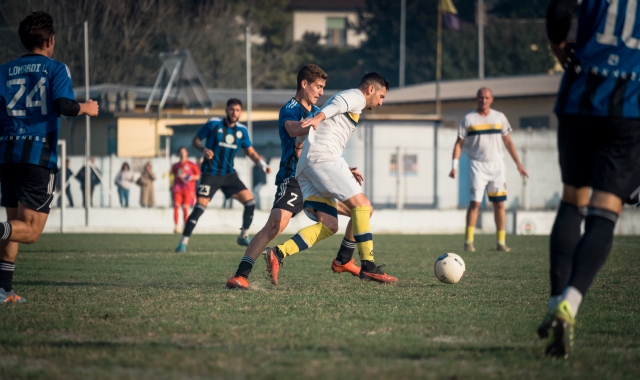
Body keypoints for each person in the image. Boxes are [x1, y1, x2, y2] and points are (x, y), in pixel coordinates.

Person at [536, 0, 640, 359]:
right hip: (628, 108)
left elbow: (559, 12)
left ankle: (554, 302)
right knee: (604, 213)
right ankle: (570, 304)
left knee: (572, 201)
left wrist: (560, 50)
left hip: (578, 97)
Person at [226, 64, 362, 289]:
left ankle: (345, 259)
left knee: (359, 210)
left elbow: (324, 149)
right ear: (304, 83)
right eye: (318, 87)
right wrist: (314, 123)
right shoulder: (290, 108)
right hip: (294, 178)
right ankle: (241, 275)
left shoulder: (316, 112)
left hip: (317, 178)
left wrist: (344, 170)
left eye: (323, 88)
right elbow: (292, 129)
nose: (320, 92)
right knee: (274, 226)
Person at [0, 11, 99, 304]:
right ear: (50, 40)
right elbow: (64, 105)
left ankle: (4, 290)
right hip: (37, 155)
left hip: (6, 154)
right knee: (29, 232)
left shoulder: (4, 70)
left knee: (13, 226)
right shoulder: (55, 68)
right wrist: (85, 107)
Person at [262, 72, 397, 285]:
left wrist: (301, 148)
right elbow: (335, 105)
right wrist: (317, 118)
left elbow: (307, 134)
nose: (380, 102)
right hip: (323, 159)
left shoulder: (352, 103)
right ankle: (368, 265)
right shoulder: (356, 96)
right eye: (381, 97)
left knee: (330, 224)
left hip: (308, 165)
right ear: (371, 89)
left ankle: (279, 253)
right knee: (363, 205)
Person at [175, 98, 271, 253]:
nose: (234, 113)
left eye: (237, 110)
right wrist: (203, 150)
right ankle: (183, 243)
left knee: (250, 202)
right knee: (199, 208)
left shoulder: (241, 131)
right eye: (232, 109)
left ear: (240, 112)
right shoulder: (214, 124)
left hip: (229, 175)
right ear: (226, 110)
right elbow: (195, 140)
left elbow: (251, 152)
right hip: (210, 174)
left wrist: (262, 165)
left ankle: (243, 235)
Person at [448, 87, 528, 252]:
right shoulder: (468, 119)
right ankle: (468, 241)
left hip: (497, 165)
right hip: (477, 165)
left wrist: (518, 164)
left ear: (491, 100)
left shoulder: (499, 117)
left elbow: (508, 142)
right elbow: (459, 143)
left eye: (486, 98)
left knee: (499, 204)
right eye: (480, 98)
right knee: (475, 203)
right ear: (476, 99)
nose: (483, 100)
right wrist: (454, 166)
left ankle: (501, 242)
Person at [171, 147, 200, 233]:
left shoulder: (191, 164)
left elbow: (198, 176)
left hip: (188, 189)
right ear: (179, 154)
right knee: (176, 207)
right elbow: (173, 174)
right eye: (181, 152)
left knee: (185, 208)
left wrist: (190, 177)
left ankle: (185, 226)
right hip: (177, 189)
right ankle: (176, 226)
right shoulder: (175, 165)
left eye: (184, 152)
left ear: (187, 153)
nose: (182, 154)